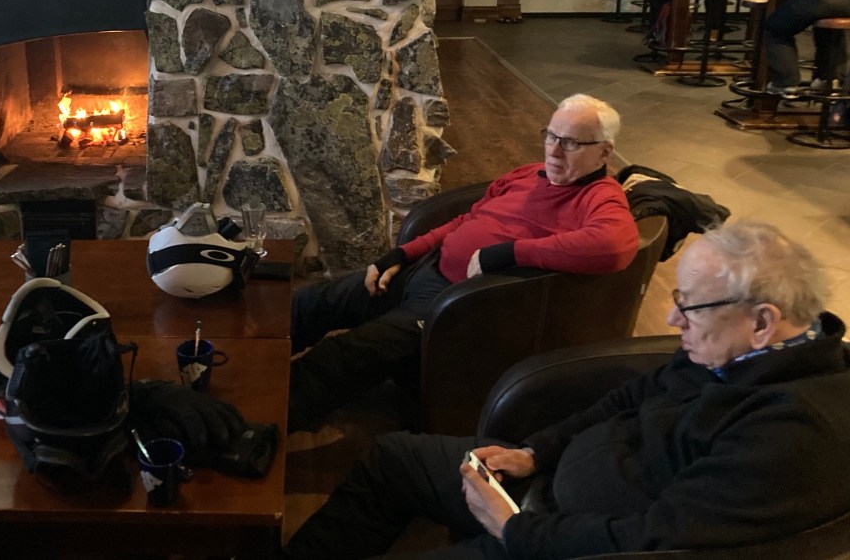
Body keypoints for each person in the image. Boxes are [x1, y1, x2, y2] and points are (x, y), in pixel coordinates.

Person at [284, 220, 850, 559]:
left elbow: (657, 542)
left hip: (566, 545)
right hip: (546, 488)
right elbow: (628, 398)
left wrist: (516, 530)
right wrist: (536, 452)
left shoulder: (791, 434)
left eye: (690, 307)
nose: (672, 320)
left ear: (763, 321)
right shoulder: (730, 352)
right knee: (392, 458)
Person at [288, 94, 640, 433]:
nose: (553, 150)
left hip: (456, 304)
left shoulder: (599, 196)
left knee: (341, 356)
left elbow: (614, 246)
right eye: (550, 136)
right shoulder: (527, 174)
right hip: (423, 270)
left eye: (571, 143)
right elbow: (468, 220)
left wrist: (510, 252)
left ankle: (267, 423)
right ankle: (258, 369)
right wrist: (404, 253)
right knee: (312, 302)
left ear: (604, 152)